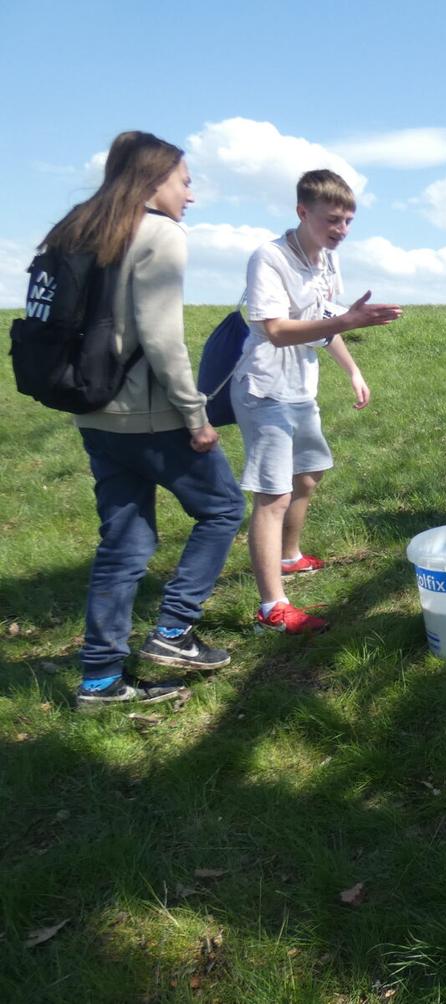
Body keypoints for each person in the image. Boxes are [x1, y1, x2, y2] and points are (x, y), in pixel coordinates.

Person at [51, 131, 245, 711]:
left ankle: (101, 679)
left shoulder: (82, 227)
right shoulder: (158, 232)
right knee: (223, 507)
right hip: (149, 415)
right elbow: (162, 339)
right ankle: (174, 631)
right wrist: (196, 415)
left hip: (93, 411)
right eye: (185, 180)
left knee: (125, 539)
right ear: (154, 178)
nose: (191, 194)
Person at [233, 170, 402, 634]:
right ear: (302, 212)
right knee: (274, 495)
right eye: (333, 219)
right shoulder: (269, 258)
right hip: (263, 387)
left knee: (308, 475)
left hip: (299, 390)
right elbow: (276, 329)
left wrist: (353, 369)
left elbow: (325, 321)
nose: (342, 229)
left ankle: (289, 557)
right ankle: (272, 608)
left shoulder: (327, 262)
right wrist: (348, 321)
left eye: (348, 220)